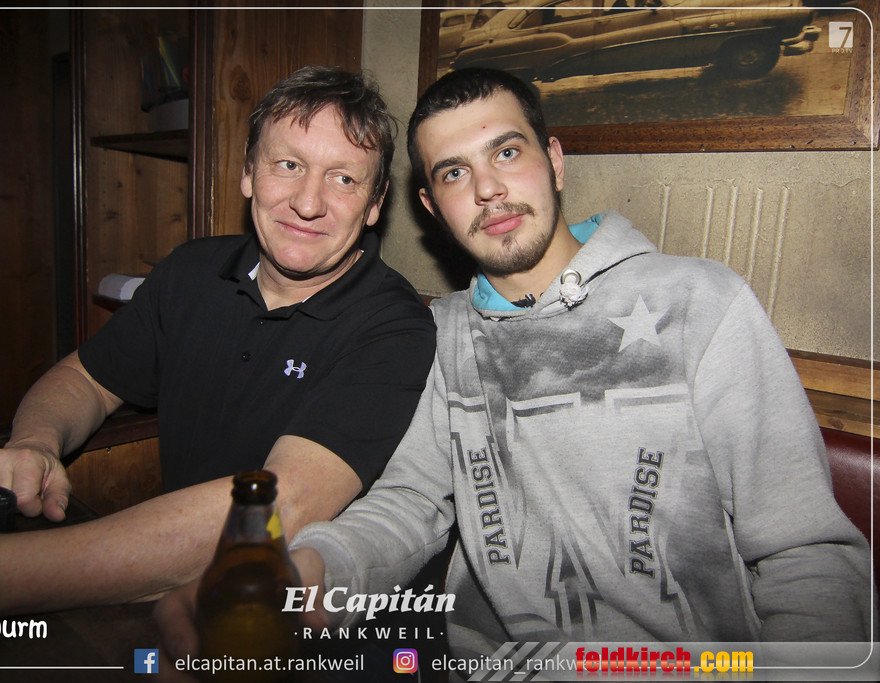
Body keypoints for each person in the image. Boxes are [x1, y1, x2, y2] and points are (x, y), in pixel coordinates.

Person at [152, 67, 873, 662]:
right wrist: (304, 574)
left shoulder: (700, 303)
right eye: (454, 172)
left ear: (553, 161)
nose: (488, 189)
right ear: (430, 206)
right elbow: (409, 504)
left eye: (505, 153)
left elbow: (806, 551)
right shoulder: (439, 334)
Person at [0, 66, 436, 622]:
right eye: (288, 165)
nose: (308, 202)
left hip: (291, 625)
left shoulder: (394, 327)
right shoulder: (191, 272)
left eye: (343, 178)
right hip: (150, 585)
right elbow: (86, 378)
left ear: (375, 203)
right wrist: (34, 443)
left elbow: (281, 507)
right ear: (248, 173)